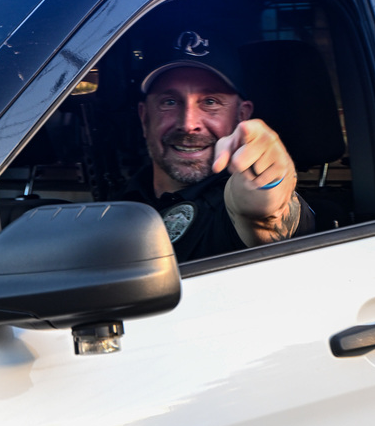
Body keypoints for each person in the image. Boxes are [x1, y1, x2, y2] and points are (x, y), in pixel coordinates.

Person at [122, 27, 315, 262]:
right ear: (145, 118)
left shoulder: (234, 202)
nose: (188, 124)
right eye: (169, 101)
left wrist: (269, 195)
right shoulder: (119, 204)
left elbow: (271, 220)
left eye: (210, 102)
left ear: (242, 117)